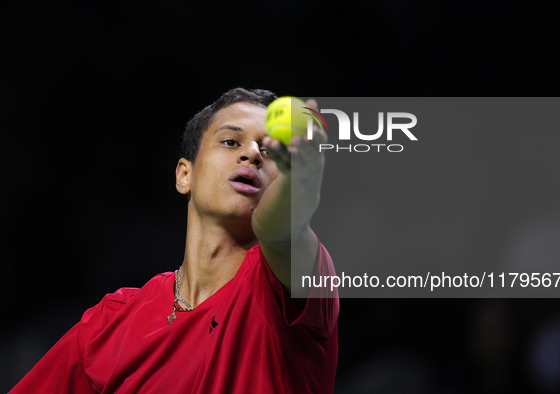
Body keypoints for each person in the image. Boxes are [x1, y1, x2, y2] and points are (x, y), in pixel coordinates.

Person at [9, 88, 339, 394]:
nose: (253, 154)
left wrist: (302, 180)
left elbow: (280, 232)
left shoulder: (289, 284)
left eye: (269, 151)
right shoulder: (110, 321)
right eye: (230, 142)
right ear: (185, 175)